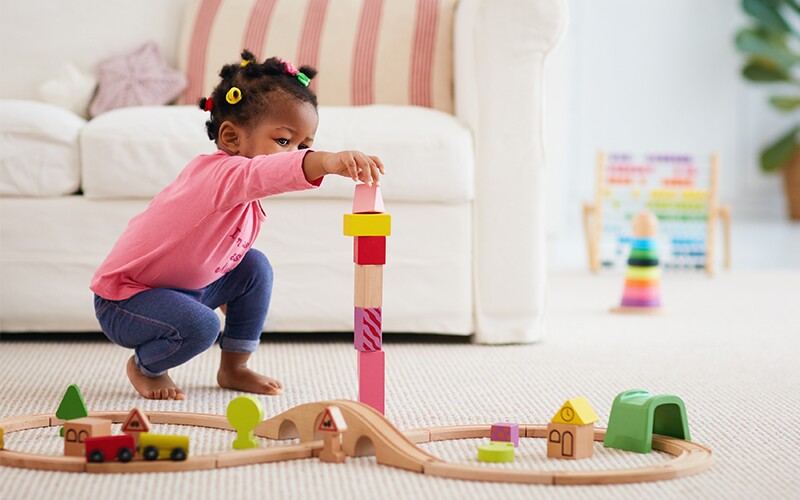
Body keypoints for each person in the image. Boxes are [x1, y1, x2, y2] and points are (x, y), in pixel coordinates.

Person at [90, 51, 384, 400]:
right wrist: (327, 161)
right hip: (126, 300)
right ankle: (145, 367)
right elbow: (265, 173)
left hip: (185, 290)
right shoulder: (220, 174)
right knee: (203, 325)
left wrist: (237, 297)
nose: (295, 154)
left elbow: (219, 251)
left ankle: (234, 366)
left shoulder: (242, 193)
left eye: (305, 146)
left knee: (255, 266)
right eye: (284, 141)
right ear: (231, 138)